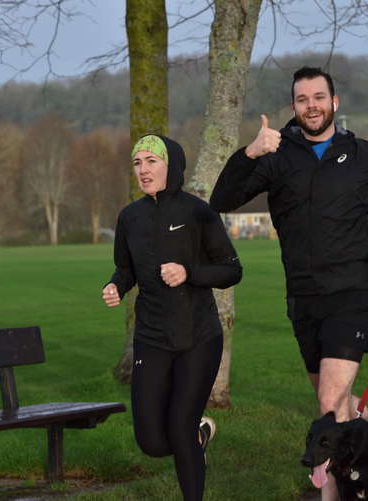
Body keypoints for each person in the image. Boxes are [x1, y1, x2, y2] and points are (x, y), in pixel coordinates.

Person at [209, 66, 368, 501]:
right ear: (293, 106)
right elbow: (222, 200)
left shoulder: (362, 154)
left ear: (335, 103)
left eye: (318, 97)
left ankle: (333, 493)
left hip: (353, 290)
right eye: (302, 99)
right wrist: (249, 153)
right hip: (303, 297)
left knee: (330, 403)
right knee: (340, 406)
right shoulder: (276, 156)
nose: (311, 105)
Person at [101, 134, 242, 501]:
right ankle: (199, 437)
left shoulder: (198, 212)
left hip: (199, 335)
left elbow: (231, 269)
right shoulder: (129, 217)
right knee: (150, 441)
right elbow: (125, 268)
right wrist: (116, 285)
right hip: (152, 336)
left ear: (171, 165)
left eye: (152, 161)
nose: (143, 170)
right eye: (137, 163)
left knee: (179, 429)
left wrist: (189, 272)